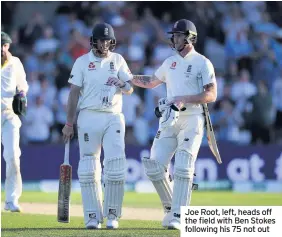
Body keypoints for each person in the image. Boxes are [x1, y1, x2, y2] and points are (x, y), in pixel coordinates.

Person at [131, 19, 218, 229]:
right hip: (170, 119)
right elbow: (151, 81)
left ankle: (179, 215)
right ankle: (172, 209)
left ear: (189, 37)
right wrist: (126, 77)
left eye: (178, 35)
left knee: (183, 166)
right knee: (154, 167)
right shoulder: (169, 62)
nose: (174, 38)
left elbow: (211, 94)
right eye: (174, 35)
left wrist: (184, 98)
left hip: (192, 119)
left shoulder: (202, 62)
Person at [62, 22, 133, 229]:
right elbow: (74, 94)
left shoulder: (118, 59)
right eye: (101, 40)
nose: (104, 44)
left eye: (108, 41)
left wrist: (122, 84)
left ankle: (112, 214)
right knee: (88, 167)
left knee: (116, 166)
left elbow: (130, 88)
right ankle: (92, 216)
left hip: (113, 116)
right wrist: (69, 123)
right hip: (88, 117)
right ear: (93, 41)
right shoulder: (82, 62)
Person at [1, 31, 28, 212]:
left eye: (4, 45)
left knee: (13, 157)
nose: (2, 49)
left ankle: (11, 200)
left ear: (8, 46)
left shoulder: (15, 63)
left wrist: (22, 94)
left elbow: (23, 85)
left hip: (9, 115)